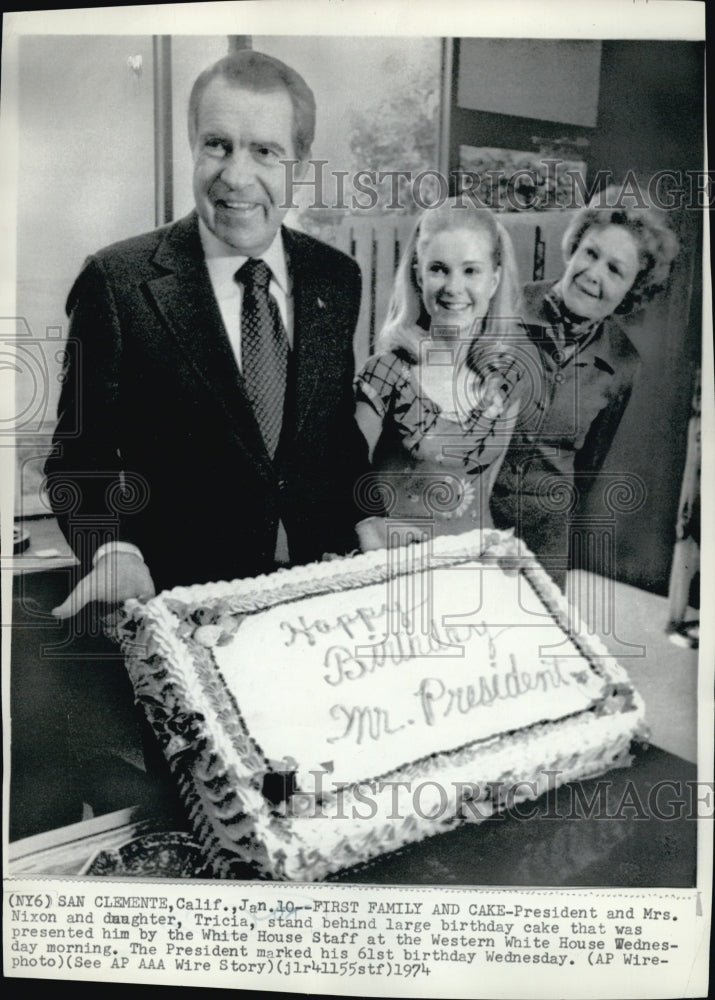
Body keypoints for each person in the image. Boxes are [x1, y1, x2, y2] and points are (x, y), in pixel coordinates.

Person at [45, 50, 369, 616]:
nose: (236, 176)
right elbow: (77, 456)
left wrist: (368, 517)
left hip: (317, 603)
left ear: (300, 163)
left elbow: (335, 436)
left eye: (265, 151)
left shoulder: (336, 278)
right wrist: (113, 550)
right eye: (218, 145)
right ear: (192, 145)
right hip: (178, 606)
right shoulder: (116, 283)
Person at [490, 196, 679, 588]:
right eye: (591, 253)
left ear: (632, 290)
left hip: (545, 537)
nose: (594, 274)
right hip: (476, 518)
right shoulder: (502, 310)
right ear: (574, 247)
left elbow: (589, 466)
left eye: (615, 270)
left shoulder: (624, 363)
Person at [354, 198, 544, 548]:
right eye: (439, 269)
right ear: (418, 273)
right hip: (391, 568)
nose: (453, 288)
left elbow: (483, 494)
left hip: (468, 568)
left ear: (494, 280)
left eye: (471, 271)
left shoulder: (507, 381)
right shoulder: (386, 372)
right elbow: (340, 478)